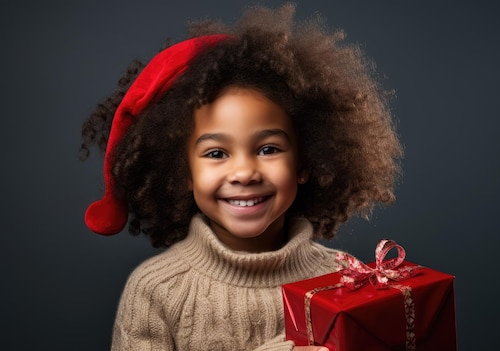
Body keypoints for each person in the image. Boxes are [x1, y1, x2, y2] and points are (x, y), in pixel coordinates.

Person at [80, 3, 402, 350]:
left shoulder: (345, 278)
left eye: (268, 149)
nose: (245, 172)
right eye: (217, 154)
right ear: (182, 172)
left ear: (306, 161)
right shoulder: (156, 291)